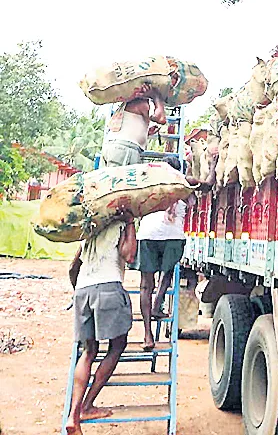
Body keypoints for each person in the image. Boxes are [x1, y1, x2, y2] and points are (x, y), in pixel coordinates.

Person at [65, 215, 137, 435]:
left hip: (83, 291)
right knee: (117, 346)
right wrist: (131, 223)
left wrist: (79, 293)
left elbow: (72, 267)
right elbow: (130, 255)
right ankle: (87, 406)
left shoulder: (90, 227)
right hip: (108, 288)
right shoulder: (122, 224)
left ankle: (73, 415)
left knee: (89, 351)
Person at [137, 156, 191, 350]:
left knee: (145, 286)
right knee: (166, 274)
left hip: (147, 234)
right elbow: (205, 187)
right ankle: (157, 305)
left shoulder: (148, 184)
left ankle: (147, 335)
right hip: (172, 236)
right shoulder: (184, 184)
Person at [100, 85, 167, 167]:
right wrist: (156, 96)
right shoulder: (141, 103)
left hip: (113, 148)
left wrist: (147, 132)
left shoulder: (127, 104)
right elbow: (161, 118)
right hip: (125, 149)